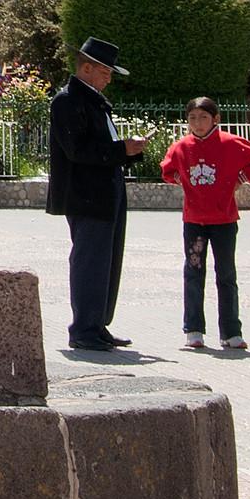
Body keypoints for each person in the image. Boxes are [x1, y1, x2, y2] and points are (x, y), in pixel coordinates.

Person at [45, 37, 146, 352]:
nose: (109, 78)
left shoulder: (94, 101)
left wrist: (127, 152)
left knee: (107, 261)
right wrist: (121, 149)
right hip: (86, 195)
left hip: (105, 191)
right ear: (86, 68)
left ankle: (97, 323)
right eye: (105, 71)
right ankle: (83, 329)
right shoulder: (67, 101)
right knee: (90, 261)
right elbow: (77, 150)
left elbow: (100, 148)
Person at [161, 96, 250, 351]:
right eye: (192, 118)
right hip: (194, 221)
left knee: (226, 275)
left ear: (216, 119)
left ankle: (231, 332)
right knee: (193, 273)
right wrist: (180, 179)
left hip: (224, 220)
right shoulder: (181, 147)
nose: (198, 123)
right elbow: (167, 170)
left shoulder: (231, 143)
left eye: (203, 117)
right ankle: (193, 330)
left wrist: (242, 178)